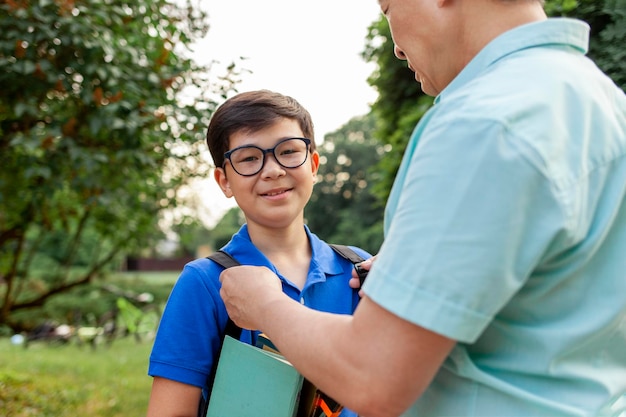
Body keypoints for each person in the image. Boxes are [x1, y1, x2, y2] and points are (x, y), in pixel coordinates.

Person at [218, 1, 626, 416]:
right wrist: (422, 277)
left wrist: (265, 305)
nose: (395, 47)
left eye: (387, 7)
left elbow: (374, 374)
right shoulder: (604, 103)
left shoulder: (483, 123)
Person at [146, 90, 371, 417]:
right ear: (224, 181)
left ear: (314, 164)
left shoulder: (359, 271)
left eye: (288, 151)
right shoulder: (205, 282)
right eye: (249, 158)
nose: (273, 170)